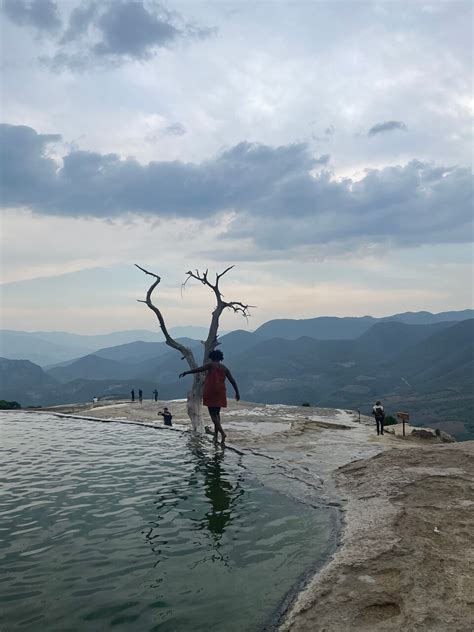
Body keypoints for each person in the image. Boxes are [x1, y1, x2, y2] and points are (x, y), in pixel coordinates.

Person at [179, 350, 240, 442]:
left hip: (211, 391)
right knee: (217, 414)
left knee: (213, 414)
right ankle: (216, 435)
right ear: (220, 358)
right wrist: (237, 392)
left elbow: (198, 369)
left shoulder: (210, 365)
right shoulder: (224, 368)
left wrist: (186, 372)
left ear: (211, 357)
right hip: (221, 392)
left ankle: (222, 433)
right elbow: (233, 381)